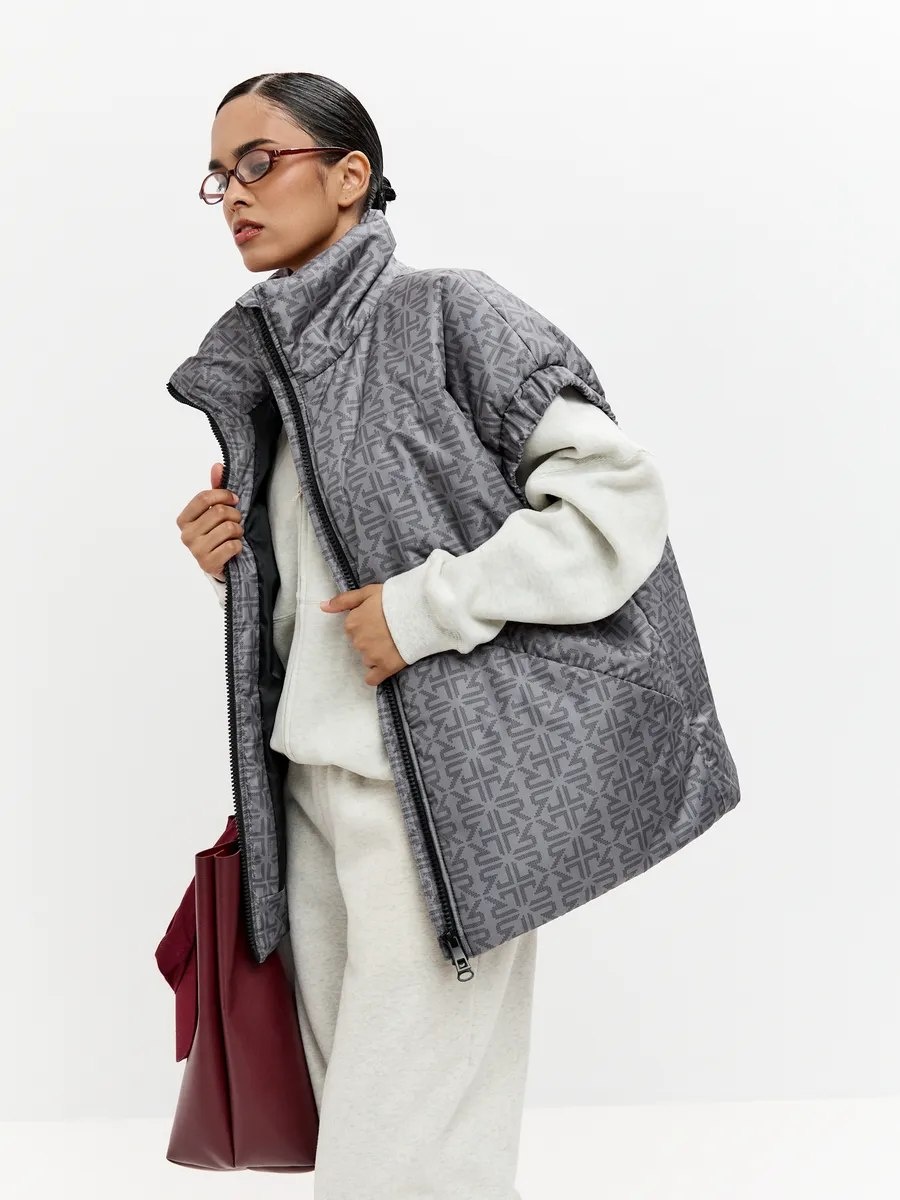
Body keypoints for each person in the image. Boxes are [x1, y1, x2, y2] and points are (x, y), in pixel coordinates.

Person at [175, 71, 669, 1200]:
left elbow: (618, 502)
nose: (234, 194)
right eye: (217, 176)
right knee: (401, 1141)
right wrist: (234, 571)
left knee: (395, 1154)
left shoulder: (450, 314)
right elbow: (318, 611)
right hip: (306, 795)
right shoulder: (272, 372)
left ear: (351, 176)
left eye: (260, 162)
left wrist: (424, 609)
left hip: (437, 799)